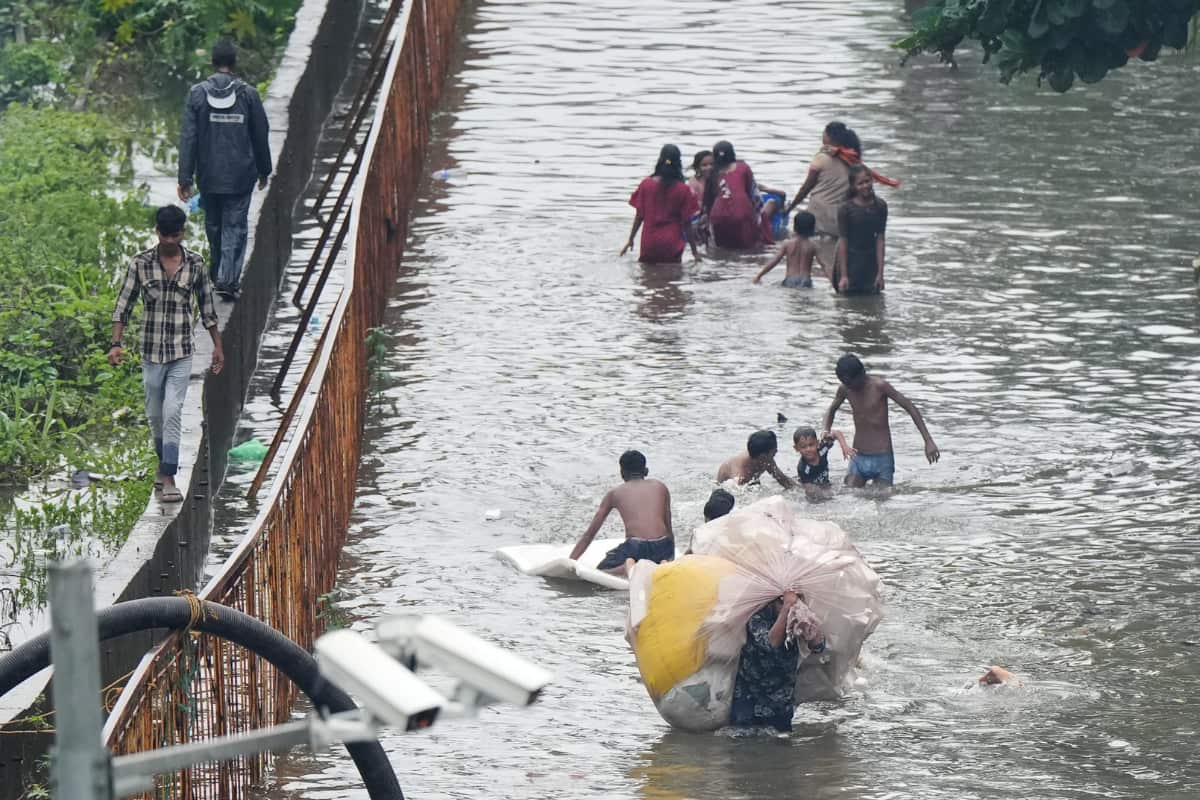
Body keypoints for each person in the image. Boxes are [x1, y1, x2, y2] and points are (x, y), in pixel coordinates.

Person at [109, 206, 224, 503]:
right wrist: (116, 343)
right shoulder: (141, 264)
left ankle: (170, 476)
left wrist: (217, 347)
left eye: (176, 235)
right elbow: (124, 305)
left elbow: (208, 309)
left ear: (182, 233)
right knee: (155, 414)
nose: (171, 240)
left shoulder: (195, 265)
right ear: (158, 233)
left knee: (173, 411)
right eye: (166, 235)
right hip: (150, 352)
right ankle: (163, 467)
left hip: (181, 351)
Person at [177, 39, 272, 301]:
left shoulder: (197, 94)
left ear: (212, 63)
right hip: (240, 176)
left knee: (214, 226)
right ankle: (227, 280)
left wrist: (185, 177)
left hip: (208, 176)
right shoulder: (248, 95)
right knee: (235, 226)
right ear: (234, 63)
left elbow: (188, 138)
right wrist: (264, 170)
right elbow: (260, 135)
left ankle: (220, 274)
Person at [821, 354, 939, 489]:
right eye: (844, 383)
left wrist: (928, 440)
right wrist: (825, 430)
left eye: (850, 383)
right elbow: (831, 409)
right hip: (858, 457)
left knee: (881, 500)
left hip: (882, 458)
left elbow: (909, 407)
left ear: (862, 374)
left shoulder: (880, 386)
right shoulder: (845, 389)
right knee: (850, 494)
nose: (848, 387)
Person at [729, 590, 826, 731]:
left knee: (781, 746)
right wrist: (786, 609)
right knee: (744, 746)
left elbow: (818, 647)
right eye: (782, 602)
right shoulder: (758, 615)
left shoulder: (797, 616)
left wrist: (809, 628)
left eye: (797, 600)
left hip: (781, 701)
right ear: (773, 601)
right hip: (751, 699)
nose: (792, 606)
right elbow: (770, 644)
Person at [569, 450, 674, 576]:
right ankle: (663, 564)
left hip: (636, 547)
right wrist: (670, 556)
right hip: (662, 546)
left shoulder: (614, 494)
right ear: (646, 471)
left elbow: (589, 535)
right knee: (660, 557)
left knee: (600, 572)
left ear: (622, 473)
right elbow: (668, 526)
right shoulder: (660, 486)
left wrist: (570, 562)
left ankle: (624, 568)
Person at [620, 144, 701, 263]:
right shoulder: (683, 190)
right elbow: (687, 223)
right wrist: (695, 252)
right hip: (672, 242)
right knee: (672, 276)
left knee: (647, 278)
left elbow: (639, 216)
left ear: (660, 160)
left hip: (649, 241)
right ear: (678, 162)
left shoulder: (646, 185)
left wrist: (630, 239)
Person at [702, 141, 787, 249]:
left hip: (718, 215)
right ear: (732, 153)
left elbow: (708, 203)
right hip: (741, 213)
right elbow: (754, 195)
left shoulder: (712, 173)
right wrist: (757, 221)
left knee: (723, 248)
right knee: (748, 248)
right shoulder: (743, 167)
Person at [835, 165, 888, 295]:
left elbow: (880, 239)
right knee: (847, 307)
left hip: (870, 264)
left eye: (867, 181)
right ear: (853, 186)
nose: (865, 186)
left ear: (872, 181)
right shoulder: (845, 208)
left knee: (874, 307)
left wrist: (880, 274)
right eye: (860, 183)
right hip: (850, 263)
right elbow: (843, 240)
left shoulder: (880, 206)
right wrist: (843, 275)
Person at [752, 212, 820, 287]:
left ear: (795, 227)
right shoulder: (813, 246)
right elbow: (824, 265)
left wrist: (759, 276)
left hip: (790, 280)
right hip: (806, 281)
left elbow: (774, 261)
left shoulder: (787, 244)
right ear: (812, 228)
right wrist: (832, 281)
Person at [717, 430, 796, 489]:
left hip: (750, 483)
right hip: (724, 485)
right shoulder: (741, 473)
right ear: (763, 456)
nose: (776, 451)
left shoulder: (767, 460)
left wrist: (802, 491)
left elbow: (783, 480)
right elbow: (736, 496)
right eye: (774, 450)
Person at [687, 150, 713, 248]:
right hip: (699, 216)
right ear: (697, 168)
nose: (709, 167)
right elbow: (694, 204)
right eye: (704, 165)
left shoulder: (718, 178)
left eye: (711, 164)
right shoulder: (694, 183)